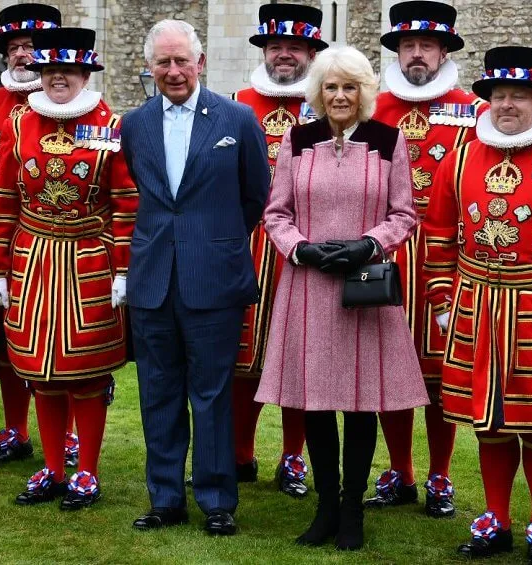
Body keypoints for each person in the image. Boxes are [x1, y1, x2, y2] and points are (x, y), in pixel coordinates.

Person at [255, 45, 429, 550]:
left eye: (349, 87)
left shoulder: (388, 141)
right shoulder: (297, 138)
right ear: (318, 92)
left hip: (363, 287)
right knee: (314, 404)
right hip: (308, 285)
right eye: (330, 87)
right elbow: (276, 213)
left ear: (364, 93)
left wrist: (368, 244)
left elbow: (404, 213)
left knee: (358, 405)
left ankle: (352, 511)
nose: (339, 96)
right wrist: (300, 249)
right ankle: (325, 508)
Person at [423, 46, 532, 565]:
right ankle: (495, 518)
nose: (507, 104)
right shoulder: (462, 155)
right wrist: (443, 296)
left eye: (520, 95)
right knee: (490, 420)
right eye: (499, 95)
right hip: (476, 300)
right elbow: (437, 231)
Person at [122, 20, 269, 535]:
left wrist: (216, 243)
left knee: (211, 394)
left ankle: (216, 500)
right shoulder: (134, 124)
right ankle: (165, 498)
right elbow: (145, 190)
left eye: (182, 60)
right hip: (153, 279)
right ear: (151, 68)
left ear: (200, 62)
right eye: (163, 62)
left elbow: (256, 195)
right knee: (157, 392)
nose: (174, 70)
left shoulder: (238, 118)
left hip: (214, 280)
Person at [0, 26, 137, 509]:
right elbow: (4, 199)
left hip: (88, 260)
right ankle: (54, 467)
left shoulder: (110, 126)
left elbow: (124, 203)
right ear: (41, 74)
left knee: (86, 370)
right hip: (31, 259)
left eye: (69, 71)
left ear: (85, 73)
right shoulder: (20, 126)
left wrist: (123, 270)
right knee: (40, 370)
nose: (59, 79)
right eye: (51, 71)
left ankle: (88, 471)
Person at [365, 0, 487, 517]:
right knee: (385, 366)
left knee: (439, 374)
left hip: (444, 258)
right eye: (408, 45)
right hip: (382, 251)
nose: (417, 55)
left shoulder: (475, 110)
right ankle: (401, 471)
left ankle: (440, 475)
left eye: (427, 46)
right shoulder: (373, 107)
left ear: (443, 51)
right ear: (397, 50)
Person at [230, 2, 327, 498]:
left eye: (294, 47)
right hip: (247, 243)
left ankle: (293, 457)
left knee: (300, 357)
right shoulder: (236, 101)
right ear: (264, 51)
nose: (284, 55)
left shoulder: (329, 107)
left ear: (311, 53)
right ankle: (240, 454)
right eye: (275, 46)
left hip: (304, 248)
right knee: (242, 357)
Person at [0, 2, 79, 469]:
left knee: (58, 338)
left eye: (32, 47)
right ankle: (16, 429)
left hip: (51, 238)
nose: (24, 55)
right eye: (16, 47)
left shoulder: (78, 106)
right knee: (8, 343)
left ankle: (66, 435)